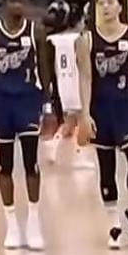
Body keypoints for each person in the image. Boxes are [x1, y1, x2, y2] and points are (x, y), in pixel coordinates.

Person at [76, 0, 128, 250]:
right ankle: (114, 225)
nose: (106, 7)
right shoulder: (87, 40)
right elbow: (85, 79)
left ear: (120, 7)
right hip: (100, 109)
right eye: (101, 3)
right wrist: (85, 114)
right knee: (106, 167)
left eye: (110, 2)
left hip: (126, 107)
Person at [0, 0, 51, 250]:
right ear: (6, 5)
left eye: (21, 1)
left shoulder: (36, 31)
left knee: (31, 163)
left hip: (28, 100)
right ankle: (11, 224)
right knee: (5, 164)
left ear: (26, 5)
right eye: (13, 1)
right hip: (1, 102)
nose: (17, 5)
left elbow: (45, 68)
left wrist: (48, 104)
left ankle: (34, 221)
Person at [46, 12, 93, 170]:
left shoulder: (54, 39)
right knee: (81, 120)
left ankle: (53, 145)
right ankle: (81, 155)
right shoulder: (80, 39)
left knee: (70, 122)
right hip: (76, 82)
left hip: (62, 83)